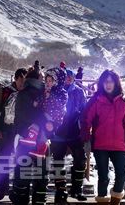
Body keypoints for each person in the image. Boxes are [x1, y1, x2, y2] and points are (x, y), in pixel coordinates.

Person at [81, 70, 125, 205]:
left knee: (121, 176)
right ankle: (103, 201)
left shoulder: (123, 102)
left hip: (119, 145)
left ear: (116, 83)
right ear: (101, 83)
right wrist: (86, 139)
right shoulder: (96, 100)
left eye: (111, 81)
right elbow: (86, 120)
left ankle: (115, 202)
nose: (108, 84)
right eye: (105, 81)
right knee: (103, 178)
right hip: (101, 145)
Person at [9, 67, 47, 205]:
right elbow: (27, 116)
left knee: (24, 171)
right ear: (36, 79)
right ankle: (29, 199)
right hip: (30, 137)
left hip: (29, 137)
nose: (43, 80)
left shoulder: (28, 93)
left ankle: (21, 199)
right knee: (37, 173)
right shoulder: (32, 94)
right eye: (42, 78)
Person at [0, 68, 27, 200]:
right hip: (6, 131)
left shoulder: (27, 92)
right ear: (15, 79)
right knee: (3, 160)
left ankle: (16, 189)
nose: (23, 84)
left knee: (20, 160)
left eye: (25, 81)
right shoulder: (5, 91)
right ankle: (2, 187)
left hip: (22, 132)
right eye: (21, 80)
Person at [50, 69, 88, 203]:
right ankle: (60, 190)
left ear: (73, 78)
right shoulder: (55, 90)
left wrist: (84, 129)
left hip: (74, 131)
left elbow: (84, 111)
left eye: (70, 77)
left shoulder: (79, 91)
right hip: (57, 132)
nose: (68, 79)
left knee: (80, 159)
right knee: (58, 161)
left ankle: (77, 189)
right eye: (65, 77)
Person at [19, 72, 68, 158]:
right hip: (45, 113)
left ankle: (41, 149)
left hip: (53, 116)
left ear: (54, 82)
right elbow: (42, 98)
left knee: (43, 130)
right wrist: (37, 102)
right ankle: (31, 139)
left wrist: (51, 96)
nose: (48, 83)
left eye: (50, 81)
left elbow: (61, 104)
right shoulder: (46, 90)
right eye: (47, 81)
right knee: (37, 124)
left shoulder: (60, 92)